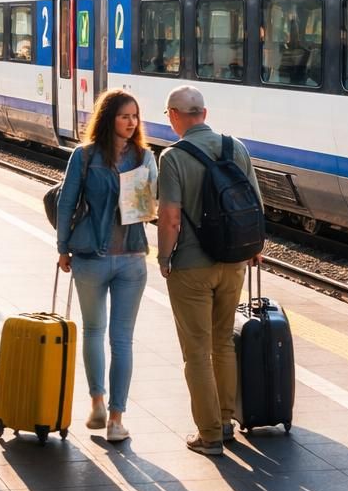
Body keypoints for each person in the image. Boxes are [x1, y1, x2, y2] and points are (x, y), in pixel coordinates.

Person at [156, 85, 263, 456]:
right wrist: (254, 249)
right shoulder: (236, 147)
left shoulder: (172, 157)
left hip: (191, 267)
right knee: (223, 344)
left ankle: (210, 434)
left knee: (197, 352)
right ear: (204, 112)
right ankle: (227, 421)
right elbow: (255, 204)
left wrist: (163, 258)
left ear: (173, 115)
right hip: (234, 263)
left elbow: (169, 217)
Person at [56, 89, 156, 444]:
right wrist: (63, 248)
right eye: (124, 116)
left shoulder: (88, 157)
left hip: (106, 259)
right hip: (115, 259)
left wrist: (64, 247)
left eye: (135, 117)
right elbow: (66, 204)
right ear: (109, 118)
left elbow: (67, 204)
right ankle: (109, 413)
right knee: (111, 336)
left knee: (105, 334)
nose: (131, 123)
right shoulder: (141, 160)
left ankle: (106, 410)